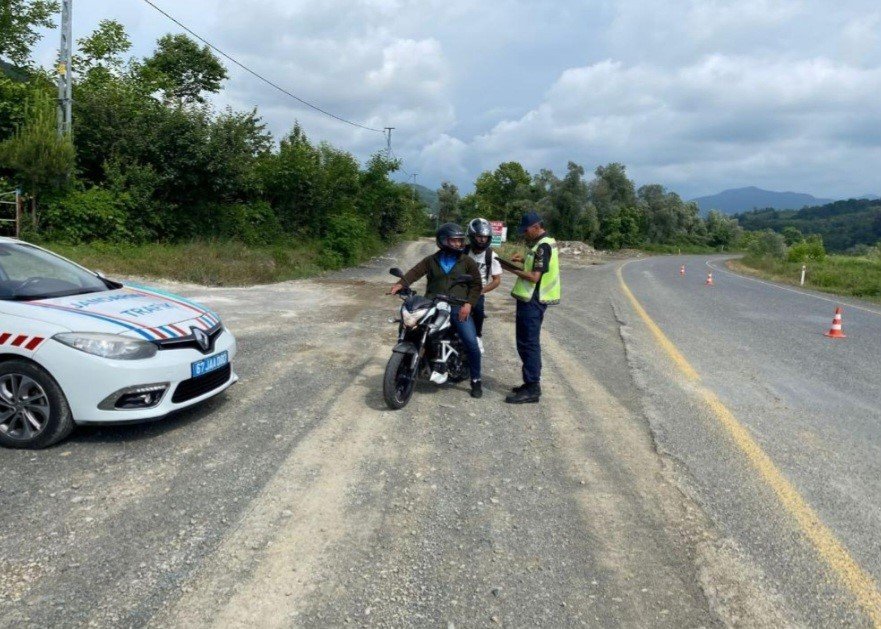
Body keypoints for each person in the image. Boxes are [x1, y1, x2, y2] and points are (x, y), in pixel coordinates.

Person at [390, 223, 484, 398]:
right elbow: (414, 272)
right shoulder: (432, 260)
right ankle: (415, 362)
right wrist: (401, 284)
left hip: (458, 306)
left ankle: (476, 380)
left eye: (460, 241)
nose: (458, 244)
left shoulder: (467, 261)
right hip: (432, 303)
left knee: (471, 341)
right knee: (412, 326)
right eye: (454, 241)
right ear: (443, 241)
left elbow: (477, 285)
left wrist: (468, 304)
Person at [502, 211, 560, 404]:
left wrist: (509, 268)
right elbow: (535, 266)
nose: (524, 234)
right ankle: (529, 384)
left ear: (536, 227)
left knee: (529, 343)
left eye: (526, 230)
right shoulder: (539, 244)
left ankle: (533, 387)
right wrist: (521, 261)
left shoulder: (543, 246)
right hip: (530, 301)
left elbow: (535, 277)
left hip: (534, 301)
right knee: (524, 342)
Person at [464, 218, 503, 355]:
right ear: (472, 236)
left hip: (477, 292)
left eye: (485, 237)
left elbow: (497, 280)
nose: (482, 240)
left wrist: (482, 290)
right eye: (479, 236)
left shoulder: (491, 255)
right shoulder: (463, 251)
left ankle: (478, 337)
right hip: (459, 289)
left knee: (479, 311)